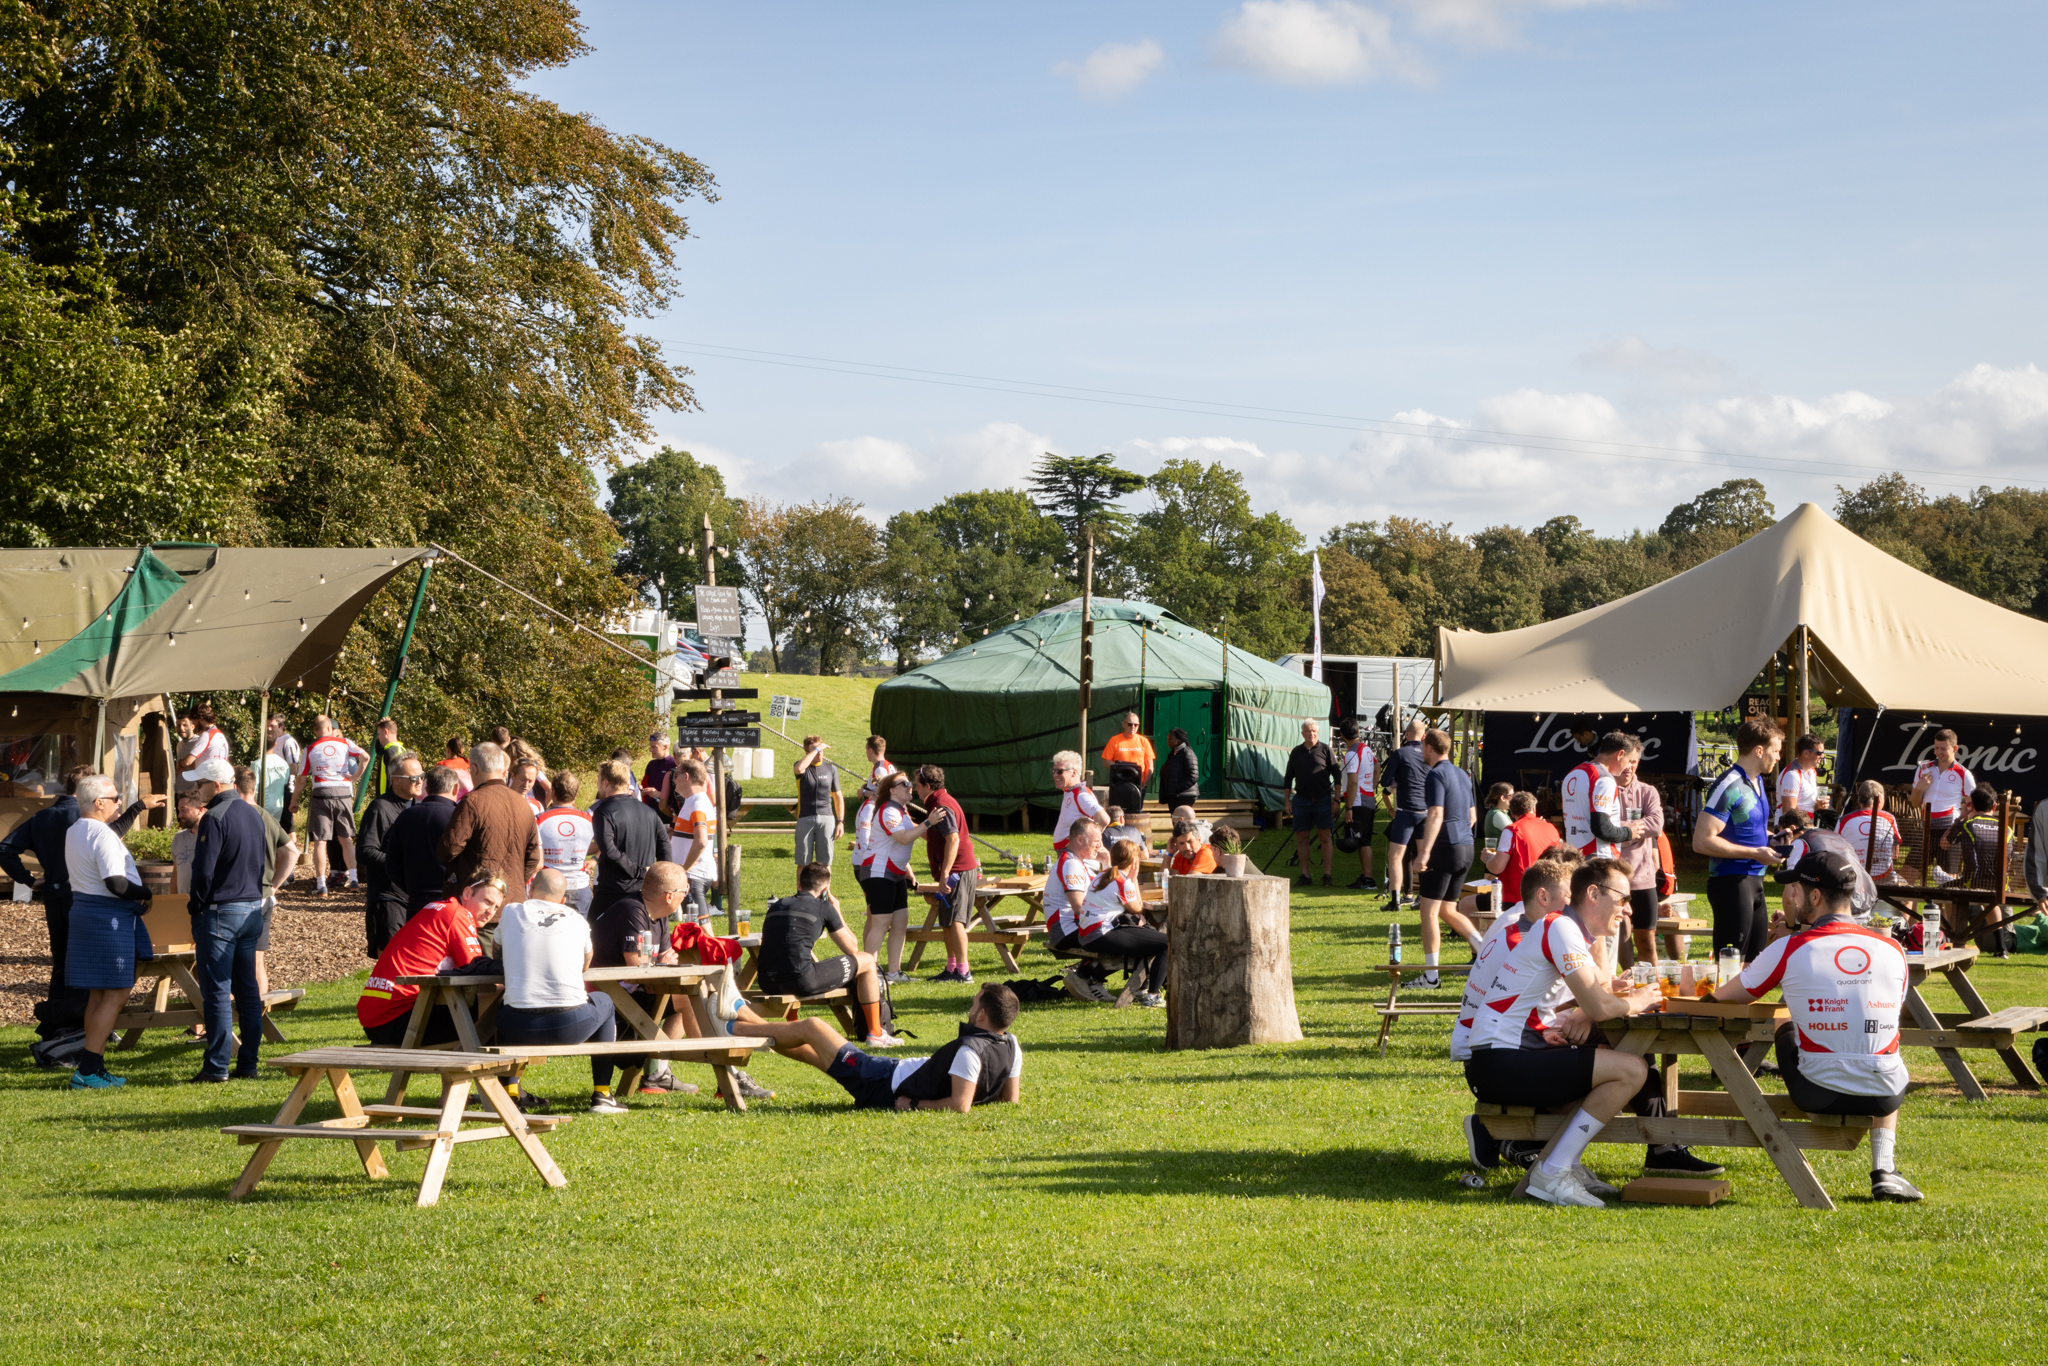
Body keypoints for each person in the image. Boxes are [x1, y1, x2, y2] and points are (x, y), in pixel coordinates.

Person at [1713, 835, 1924, 1202]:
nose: (1790, 897)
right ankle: (1884, 1168)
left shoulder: (1790, 947)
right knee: (1879, 1038)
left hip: (1818, 1093)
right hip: (1886, 1094)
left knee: (1784, 1017)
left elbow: (1723, 998)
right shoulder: (1894, 949)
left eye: (1795, 889)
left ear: (1813, 896)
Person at [1463, 858, 1665, 1207]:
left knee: (1599, 1090)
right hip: (1497, 1062)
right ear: (1592, 894)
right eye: (1623, 899)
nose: (1628, 910)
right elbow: (1600, 1006)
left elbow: (1546, 1000)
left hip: (1501, 1056)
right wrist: (1637, 1000)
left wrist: (1543, 1031)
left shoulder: (1564, 929)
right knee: (1632, 1069)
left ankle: (1564, 1163)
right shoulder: (1562, 929)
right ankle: (1552, 1171)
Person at [739, 982, 1022, 1112]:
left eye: (974, 1003)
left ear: (982, 1014)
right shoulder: (1011, 1044)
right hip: (890, 1073)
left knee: (813, 1027)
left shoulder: (970, 1050)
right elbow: (1010, 1099)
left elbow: (960, 1106)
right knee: (815, 1053)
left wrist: (914, 1104)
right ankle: (747, 1020)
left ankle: (736, 1026)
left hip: (881, 1080)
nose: (970, 1008)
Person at [56, 774, 160, 1086]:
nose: (119, 802)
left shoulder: (76, 829)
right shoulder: (101, 834)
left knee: (98, 995)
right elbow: (115, 883)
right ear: (99, 803)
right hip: (107, 917)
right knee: (115, 993)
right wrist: (146, 893)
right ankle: (88, 1070)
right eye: (115, 798)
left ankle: (93, 1067)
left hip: (86, 912)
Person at [494, 868, 621, 1116]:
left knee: (505, 1005)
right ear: (563, 900)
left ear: (530, 891)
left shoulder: (511, 911)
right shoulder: (576, 918)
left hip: (518, 1027)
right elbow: (586, 963)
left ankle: (511, 1094)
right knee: (604, 1001)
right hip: (570, 1025)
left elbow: (497, 950)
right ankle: (602, 1094)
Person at [184, 756, 272, 1082]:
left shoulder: (214, 817)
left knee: (218, 991)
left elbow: (203, 871)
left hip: (222, 910)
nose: (197, 789)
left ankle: (217, 1065)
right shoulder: (254, 813)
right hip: (252, 907)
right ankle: (247, 1062)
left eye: (202, 783)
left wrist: (196, 904)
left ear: (217, 785)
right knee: (247, 989)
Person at [758, 862, 903, 1046]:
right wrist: (837, 911)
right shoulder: (823, 907)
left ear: (799, 884)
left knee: (794, 963)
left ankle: (793, 1025)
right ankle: (875, 1034)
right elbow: (852, 948)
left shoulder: (777, 905)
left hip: (766, 981)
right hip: (801, 981)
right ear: (826, 889)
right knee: (866, 960)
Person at [357, 875, 503, 1046]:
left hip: (374, 1020)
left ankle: (484, 1066)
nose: (490, 911)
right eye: (487, 901)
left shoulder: (437, 908)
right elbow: (475, 967)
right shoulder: (458, 914)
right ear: (467, 893)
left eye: (496, 907)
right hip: (398, 1021)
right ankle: (494, 1067)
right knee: (502, 994)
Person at [1695, 717, 1786, 964]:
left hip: (1753, 881)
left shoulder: (1756, 781)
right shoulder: (1729, 784)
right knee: (1729, 966)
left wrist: (1773, 839)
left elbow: (1746, 830)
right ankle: (1718, 1004)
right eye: (1775, 751)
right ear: (1759, 750)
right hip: (1731, 882)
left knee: (1752, 964)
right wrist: (1755, 852)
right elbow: (1701, 841)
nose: (1778, 757)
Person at [1408, 728, 1481, 984]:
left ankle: (1431, 977)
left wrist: (1424, 853)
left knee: (1428, 911)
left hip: (1444, 848)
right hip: (1466, 847)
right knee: (1448, 909)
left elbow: (1436, 813)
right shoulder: (1462, 774)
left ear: (1428, 747)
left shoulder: (1435, 775)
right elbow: (1473, 817)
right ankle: (1486, 954)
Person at [1072, 835, 1166, 1007]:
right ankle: (1153, 996)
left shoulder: (1102, 875)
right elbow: (1137, 908)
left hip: (1086, 933)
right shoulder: (1124, 882)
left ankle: (1141, 989)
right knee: (1168, 943)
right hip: (1101, 934)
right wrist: (1135, 878)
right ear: (1134, 860)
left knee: (1147, 937)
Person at [231, 763, 298, 1003]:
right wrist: (274, 886)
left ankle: (233, 1020)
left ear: (235, 786)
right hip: (264, 897)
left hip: (242, 898)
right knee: (257, 960)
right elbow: (292, 853)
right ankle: (258, 1022)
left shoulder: (234, 814)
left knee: (231, 960)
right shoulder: (266, 816)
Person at [437, 740, 541, 892]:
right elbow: (533, 857)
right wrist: (511, 884)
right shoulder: (524, 803)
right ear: (503, 771)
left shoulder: (472, 801)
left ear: (474, 768)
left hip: (477, 899)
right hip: (511, 898)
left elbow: (448, 849)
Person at [913, 764, 981, 984]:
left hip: (957, 871)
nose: (915, 789)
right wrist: (911, 826)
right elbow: (936, 837)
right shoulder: (936, 802)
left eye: (917, 784)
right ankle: (952, 968)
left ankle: (964, 971)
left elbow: (953, 839)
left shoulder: (942, 805)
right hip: (954, 870)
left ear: (927, 785)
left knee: (957, 921)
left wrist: (944, 875)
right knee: (947, 921)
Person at [294, 714, 369, 895]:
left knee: (320, 842)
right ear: (330, 728)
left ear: (314, 730)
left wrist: (294, 800)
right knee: (346, 838)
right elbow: (365, 757)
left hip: (321, 793)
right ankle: (353, 880)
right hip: (343, 792)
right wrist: (355, 777)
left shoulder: (310, 749)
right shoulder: (345, 743)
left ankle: (321, 885)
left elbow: (301, 781)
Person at [357, 751, 421, 957]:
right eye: (414, 778)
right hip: (387, 899)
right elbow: (365, 852)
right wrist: (402, 863)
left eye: (422, 775)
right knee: (391, 963)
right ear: (395, 780)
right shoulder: (380, 808)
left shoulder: (420, 808)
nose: (420, 781)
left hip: (413, 898)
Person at [592, 758, 665, 919]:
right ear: (626, 784)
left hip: (613, 890)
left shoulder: (603, 812)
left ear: (605, 783)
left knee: (592, 935)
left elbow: (609, 851)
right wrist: (662, 877)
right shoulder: (649, 812)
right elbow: (664, 846)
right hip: (644, 889)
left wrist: (638, 871)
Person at [1614, 753, 1668, 968]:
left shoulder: (1647, 791)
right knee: (1621, 934)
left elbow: (1656, 826)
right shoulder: (1604, 790)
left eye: (1634, 761)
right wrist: (1633, 832)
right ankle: (1629, 985)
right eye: (1626, 761)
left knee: (1646, 940)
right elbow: (1602, 829)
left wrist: (1621, 831)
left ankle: (1652, 991)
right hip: (1614, 878)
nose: (1630, 766)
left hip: (1643, 877)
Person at [385, 764, 460, 916]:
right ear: (455, 788)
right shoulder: (458, 817)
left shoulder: (405, 816)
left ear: (427, 788)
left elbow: (392, 864)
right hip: (451, 902)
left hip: (416, 900)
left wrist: (411, 888)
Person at [863, 771, 918, 977]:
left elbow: (909, 839)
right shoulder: (887, 810)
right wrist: (928, 822)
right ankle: (868, 973)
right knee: (881, 922)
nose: (909, 786)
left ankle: (894, 973)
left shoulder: (901, 811)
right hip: (878, 871)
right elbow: (903, 838)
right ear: (892, 790)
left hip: (896, 873)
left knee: (900, 921)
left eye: (910, 782)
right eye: (904, 783)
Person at [1561, 732, 1643, 859]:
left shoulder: (1573, 773)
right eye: (1628, 760)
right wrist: (1629, 832)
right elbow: (1601, 828)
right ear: (1620, 754)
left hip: (1573, 853)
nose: (1627, 766)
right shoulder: (1603, 779)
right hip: (1598, 856)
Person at [1484, 792, 1562, 917]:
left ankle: (1482, 937)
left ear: (1512, 813)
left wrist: (1487, 858)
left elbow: (1497, 867)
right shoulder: (1551, 828)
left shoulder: (1512, 830)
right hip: (1549, 895)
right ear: (1534, 809)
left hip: (1516, 898)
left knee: (1465, 904)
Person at [1911, 728, 1975, 879]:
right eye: (1936, 748)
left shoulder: (1963, 773)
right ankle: (1907, 903)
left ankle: (1943, 903)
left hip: (1949, 829)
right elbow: (1914, 803)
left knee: (1948, 883)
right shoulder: (1924, 769)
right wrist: (1919, 789)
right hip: (1926, 827)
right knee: (1908, 876)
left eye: (1943, 749)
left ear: (1955, 749)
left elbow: (1971, 808)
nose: (1938, 752)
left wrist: (1963, 833)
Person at [1380, 718, 1430, 909]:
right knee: (1423, 855)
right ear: (1424, 736)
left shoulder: (1400, 753)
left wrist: (1397, 779)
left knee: (1395, 856)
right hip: (1425, 810)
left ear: (1407, 734)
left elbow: (1385, 781)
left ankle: (1395, 900)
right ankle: (1422, 898)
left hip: (1405, 810)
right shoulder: (1428, 754)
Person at [1284, 719, 1338, 888]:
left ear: (1318, 732)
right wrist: (1287, 801)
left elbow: (1337, 775)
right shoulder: (1296, 752)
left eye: (1314, 731)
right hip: (1301, 800)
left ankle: (1327, 875)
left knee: (1325, 837)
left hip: (1322, 799)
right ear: (1302, 734)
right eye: (1308, 731)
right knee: (1302, 838)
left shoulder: (1326, 750)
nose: (1311, 734)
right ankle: (1305, 874)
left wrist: (1337, 799)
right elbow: (1288, 777)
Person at [535, 770, 597, 916]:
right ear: (575, 795)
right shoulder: (588, 819)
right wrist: (593, 859)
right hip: (580, 888)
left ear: (553, 792)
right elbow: (606, 843)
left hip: (549, 887)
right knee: (578, 936)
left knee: (549, 935)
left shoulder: (538, 819)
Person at [668, 758, 720, 923]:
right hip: (692, 874)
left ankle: (718, 950)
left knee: (702, 926)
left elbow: (701, 841)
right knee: (694, 928)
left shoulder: (697, 802)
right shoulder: (692, 801)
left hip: (693, 875)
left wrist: (685, 868)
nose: (673, 779)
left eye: (676, 775)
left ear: (687, 776)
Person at [1339, 722, 1380, 891]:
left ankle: (1368, 879)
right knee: (1363, 839)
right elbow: (1377, 767)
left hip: (1358, 801)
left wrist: (1348, 808)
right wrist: (1372, 786)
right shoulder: (1367, 748)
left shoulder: (1351, 753)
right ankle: (1365, 876)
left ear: (1342, 735)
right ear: (1358, 731)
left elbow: (1353, 781)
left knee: (1362, 841)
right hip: (1367, 797)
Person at [792, 735, 843, 867]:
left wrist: (841, 821)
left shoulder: (831, 769)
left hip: (827, 818)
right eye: (815, 750)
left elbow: (838, 796)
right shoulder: (802, 767)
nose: (820, 752)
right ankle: (801, 888)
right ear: (807, 753)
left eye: (821, 749)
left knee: (825, 862)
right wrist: (816, 749)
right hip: (805, 818)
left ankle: (826, 889)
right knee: (803, 862)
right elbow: (798, 769)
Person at [1839, 780, 1903, 883]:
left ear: (1859, 799)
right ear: (1880, 798)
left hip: (1853, 877)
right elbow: (1895, 854)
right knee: (1909, 896)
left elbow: (1837, 848)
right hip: (1883, 877)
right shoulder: (1889, 818)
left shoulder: (1844, 820)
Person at [1049, 749, 1106, 856]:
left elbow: (1104, 819)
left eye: (1060, 771)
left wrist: (1091, 842)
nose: (1055, 775)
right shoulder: (1070, 792)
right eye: (1054, 771)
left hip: (1074, 854)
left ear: (1074, 773)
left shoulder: (1080, 795)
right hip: (1068, 853)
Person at [1101, 711, 1155, 814]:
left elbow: (1150, 766)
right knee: (1118, 814)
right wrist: (1122, 767)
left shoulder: (1143, 741)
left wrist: (1145, 784)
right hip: (1119, 785)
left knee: (1136, 813)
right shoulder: (1115, 740)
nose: (1133, 727)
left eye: (1136, 724)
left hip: (1138, 785)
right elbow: (1105, 762)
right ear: (1123, 724)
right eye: (1130, 724)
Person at [174, 704, 230, 797]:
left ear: (200, 718)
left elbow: (188, 761)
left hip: (208, 783)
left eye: (194, 721)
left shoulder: (207, 735)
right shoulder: (220, 735)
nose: (194, 725)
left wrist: (180, 763)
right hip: (220, 782)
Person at [1777, 734, 1828, 822]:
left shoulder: (1812, 771)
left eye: (1823, 753)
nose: (1822, 756)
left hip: (1805, 824)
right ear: (1806, 753)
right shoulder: (1792, 775)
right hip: (1793, 827)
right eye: (1819, 753)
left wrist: (1818, 805)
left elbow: (1806, 805)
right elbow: (1789, 813)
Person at [265, 715, 303, 821]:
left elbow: (293, 769)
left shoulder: (288, 741)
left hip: (284, 789)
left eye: (272, 726)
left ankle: (291, 838)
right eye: (267, 725)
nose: (269, 729)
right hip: (271, 789)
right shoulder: (271, 740)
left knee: (287, 826)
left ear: (282, 726)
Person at [169, 790, 206, 892]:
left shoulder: (211, 837)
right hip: (183, 905)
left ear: (200, 810)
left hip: (204, 906)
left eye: (184, 810)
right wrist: (175, 901)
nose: (180, 815)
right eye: (179, 810)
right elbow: (176, 872)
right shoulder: (178, 838)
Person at [1158, 727, 1200, 811]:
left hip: (1184, 796)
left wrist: (1177, 788)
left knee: (1181, 821)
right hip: (1175, 796)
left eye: (1170, 739)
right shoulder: (1174, 754)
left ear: (1178, 740)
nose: (1168, 741)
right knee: (1176, 820)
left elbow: (1193, 776)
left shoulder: (1187, 753)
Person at [368, 716, 406, 799]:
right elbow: (379, 750)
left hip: (388, 799)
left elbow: (392, 779)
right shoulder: (400, 749)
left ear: (386, 732)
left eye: (378, 734)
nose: (377, 737)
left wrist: (387, 800)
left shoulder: (391, 752)